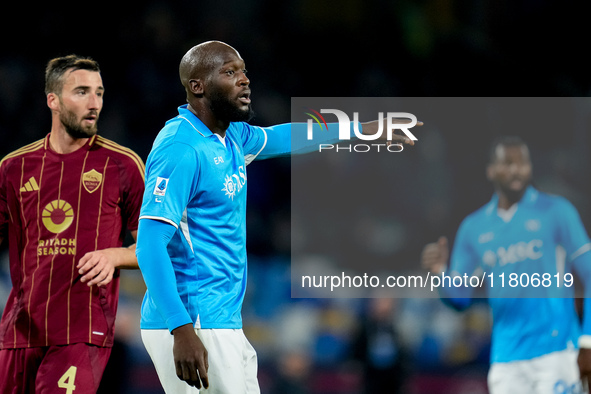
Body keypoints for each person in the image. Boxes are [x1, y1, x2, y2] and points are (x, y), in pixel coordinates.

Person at [135, 40, 418, 393]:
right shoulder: (181, 148)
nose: (244, 80)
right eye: (229, 72)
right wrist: (181, 330)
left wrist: (360, 129)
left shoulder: (230, 135)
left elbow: (283, 137)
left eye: (243, 72)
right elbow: (149, 244)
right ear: (198, 86)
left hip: (218, 319)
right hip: (194, 320)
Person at [0, 55, 145, 393]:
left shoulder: (122, 165)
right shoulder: (13, 168)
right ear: (53, 100)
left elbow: (156, 248)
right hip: (19, 332)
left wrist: (115, 256)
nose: (94, 103)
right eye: (82, 92)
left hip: (82, 332)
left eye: (100, 92)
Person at [421, 136, 591, 393]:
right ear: (491, 170)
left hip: (556, 352)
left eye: (522, 163)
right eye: (507, 163)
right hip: (506, 359)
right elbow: (459, 298)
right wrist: (440, 274)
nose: (515, 170)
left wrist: (587, 341)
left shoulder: (557, 212)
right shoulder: (474, 228)